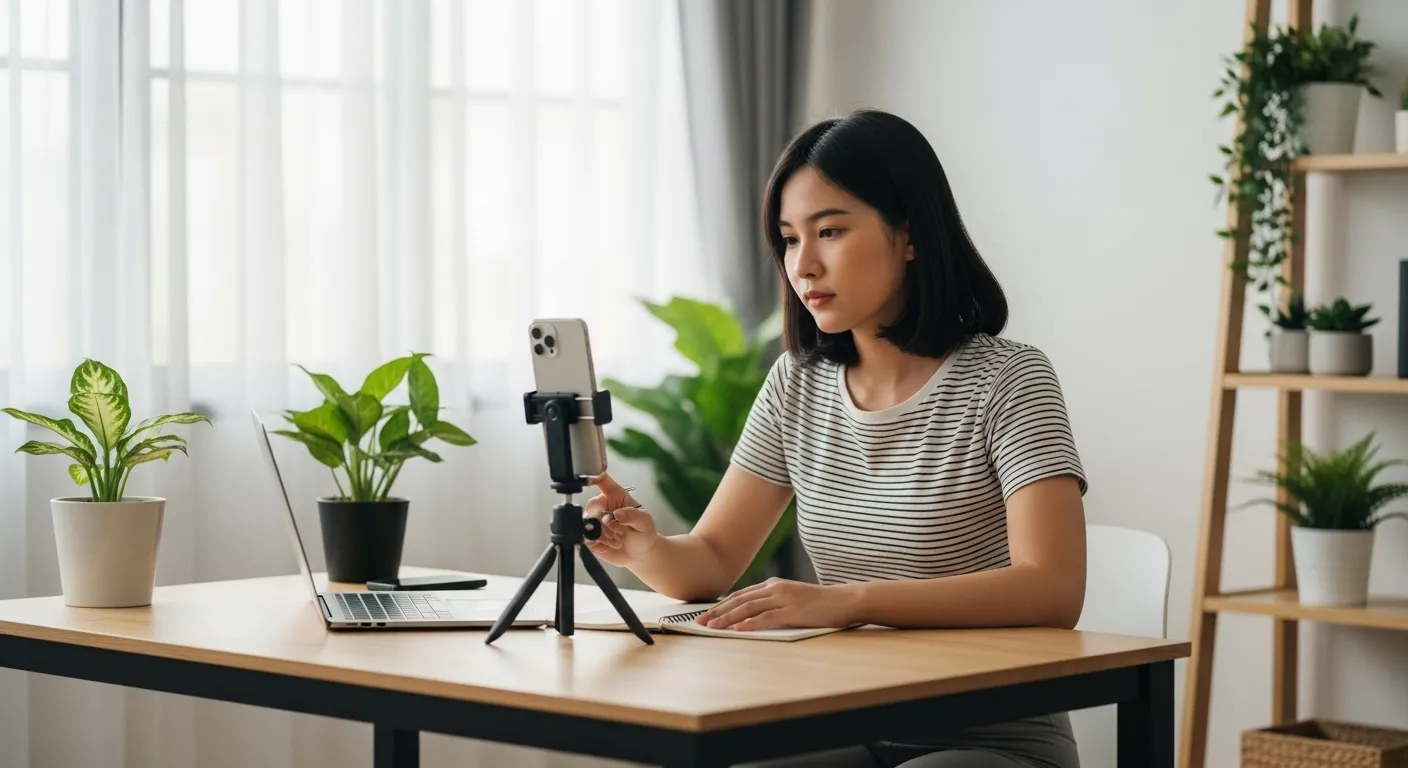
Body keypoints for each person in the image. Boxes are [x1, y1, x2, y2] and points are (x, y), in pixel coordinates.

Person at [583, 109, 1088, 768]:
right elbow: (710, 558)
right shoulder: (798, 386)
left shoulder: (1010, 379)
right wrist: (646, 548)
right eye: (789, 239)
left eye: (830, 231)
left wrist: (850, 602)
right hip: (846, 724)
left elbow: (1052, 590)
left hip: (994, 739)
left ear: (908, 235)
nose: (804, 264)